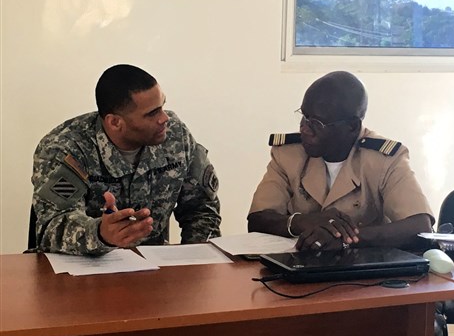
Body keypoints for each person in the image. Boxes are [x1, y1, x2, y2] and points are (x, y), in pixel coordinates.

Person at [31, 64, 221, 255]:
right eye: (152, 113)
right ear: (115, 122)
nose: (164, 118)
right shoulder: (66, 149)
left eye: (162, 106)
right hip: (83, 270)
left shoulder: (176, 137)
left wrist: (195, 264)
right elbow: (51, 226)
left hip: (153, 271)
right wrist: (100, 234)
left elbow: (202, 210)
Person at [248, 71, 433, 251]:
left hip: (366, 271)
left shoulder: (384, 159)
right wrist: (302, 221)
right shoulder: (289, 154)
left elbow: (420, 227)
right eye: (304, 117)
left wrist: (346, 237)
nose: (305, 129)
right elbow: (257, 219)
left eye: (317, 123)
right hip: (299, 267)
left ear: (352, 126)